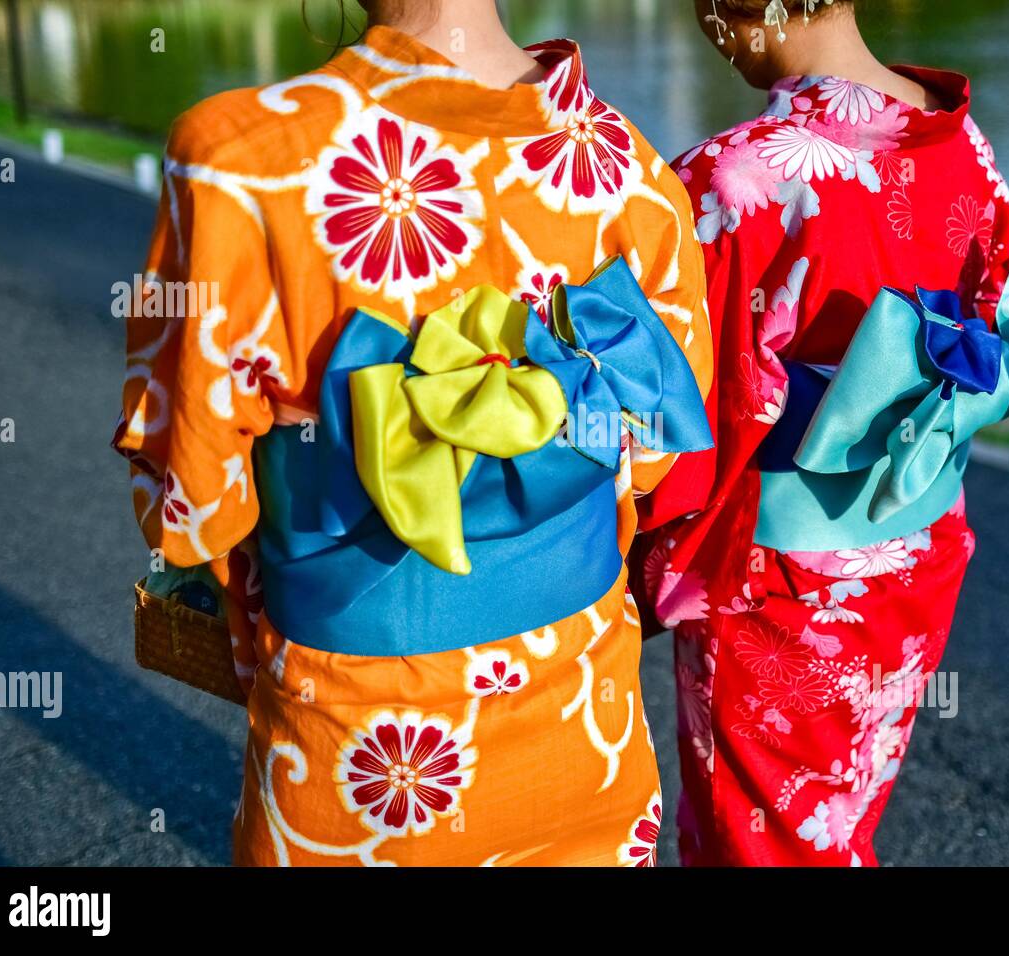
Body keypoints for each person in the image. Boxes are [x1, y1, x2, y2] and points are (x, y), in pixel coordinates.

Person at [112, 0, 713, 866]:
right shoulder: (630, 170)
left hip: (363, 751)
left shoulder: (240, 165)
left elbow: (190, 506)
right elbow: (651, 458)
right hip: (586, 730)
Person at [633, 0, 1009, 865]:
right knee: (835, 824)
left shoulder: (730, 179)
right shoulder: (960, 142)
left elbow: (672, 421)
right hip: (919, 547)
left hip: (784, 586)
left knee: (759, 842)